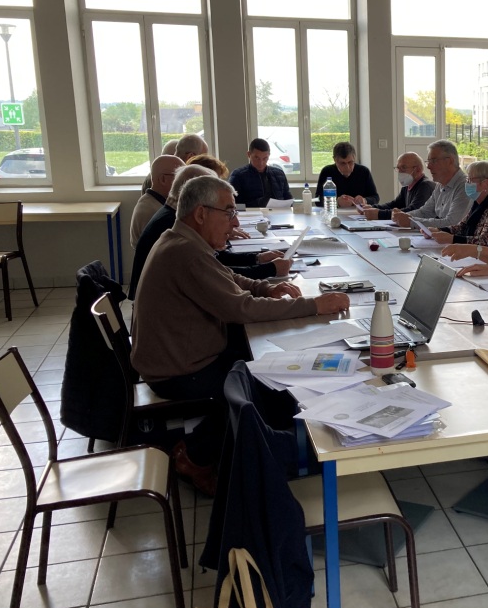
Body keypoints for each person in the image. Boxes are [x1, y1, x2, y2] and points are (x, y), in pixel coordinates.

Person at [131, 175, 349, 494]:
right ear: (201, 213)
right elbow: (241, 309)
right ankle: (196, 457)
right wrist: (314, 305)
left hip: (179, 354)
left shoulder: (182, 240)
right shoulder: (187, 253)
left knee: (267, 370)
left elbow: (227, 277)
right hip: (178, 370)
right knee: (262, 383)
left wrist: (265, 287)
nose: (234, 222)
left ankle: (271, 448)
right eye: (229, 212)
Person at [128, 165, 293, 299]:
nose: (235, 222)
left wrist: (257, 258)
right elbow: (225, 284)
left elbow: (218, 263)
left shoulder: (175, 218)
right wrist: (269, 270)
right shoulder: (173, 227)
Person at [429, 160, 488, 247]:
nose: (467, 183)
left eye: (470, 180)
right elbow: (462, 227)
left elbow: (485, 242)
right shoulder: (478, 203)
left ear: (486, 183)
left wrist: (452, 239)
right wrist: (439, 231)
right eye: (467, 179)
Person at [391, 139, 469, 229]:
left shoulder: (464, 186)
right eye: (428, 161)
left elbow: (452, 223)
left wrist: (411, 222)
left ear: (450, 161)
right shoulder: (440, 185)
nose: (428, 166)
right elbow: (425, 212)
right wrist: (402, 216)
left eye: (433, 161)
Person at [361, 152, 434, 220]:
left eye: (404, 167)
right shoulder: (407, 186)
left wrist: (379, 214)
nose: (400, 172)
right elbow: (395, 204)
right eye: (398, 168)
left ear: (418, 170)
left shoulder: (425, 186)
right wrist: (372, 207)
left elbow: (413, 211)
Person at [130, 155, 183, 247]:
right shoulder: (152, 211)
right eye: (180, 176)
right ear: (163, 179)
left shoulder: (152, 201)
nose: (185, 182)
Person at [228, 138, 292, 207]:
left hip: (279, 213)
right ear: (249, 154)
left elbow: (288, 200)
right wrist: (258, 203)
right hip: (251, 213)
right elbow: (233, 205)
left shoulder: (279, 174)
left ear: (269, 155)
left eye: (265, 158)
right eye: (257, 158)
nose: (261, 163)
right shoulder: (238, 176)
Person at [315, 141, 378, 208]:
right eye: (343, 163)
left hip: (359, 212)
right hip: (335, 211)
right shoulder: (327, 172)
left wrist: (364, 200)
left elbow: (375, 197)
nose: (347, 167)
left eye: (350, 162)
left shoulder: (364, 171)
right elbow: (318, 200)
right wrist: (336, 201)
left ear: (354, 158)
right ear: (335, 160)